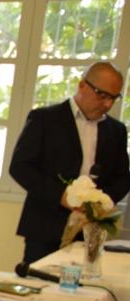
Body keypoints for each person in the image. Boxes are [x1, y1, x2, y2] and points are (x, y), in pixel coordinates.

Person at [10, 62, 130, 264]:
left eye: (114, 98)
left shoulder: (116, 130)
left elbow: (123, 178)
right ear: (82, 85)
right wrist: (61, 196)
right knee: (39, 280)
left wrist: (101, 203)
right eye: (102, 95)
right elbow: (20, 167)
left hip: (91, 230)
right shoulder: (44, 119)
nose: (108, 104)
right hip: (46, 225)